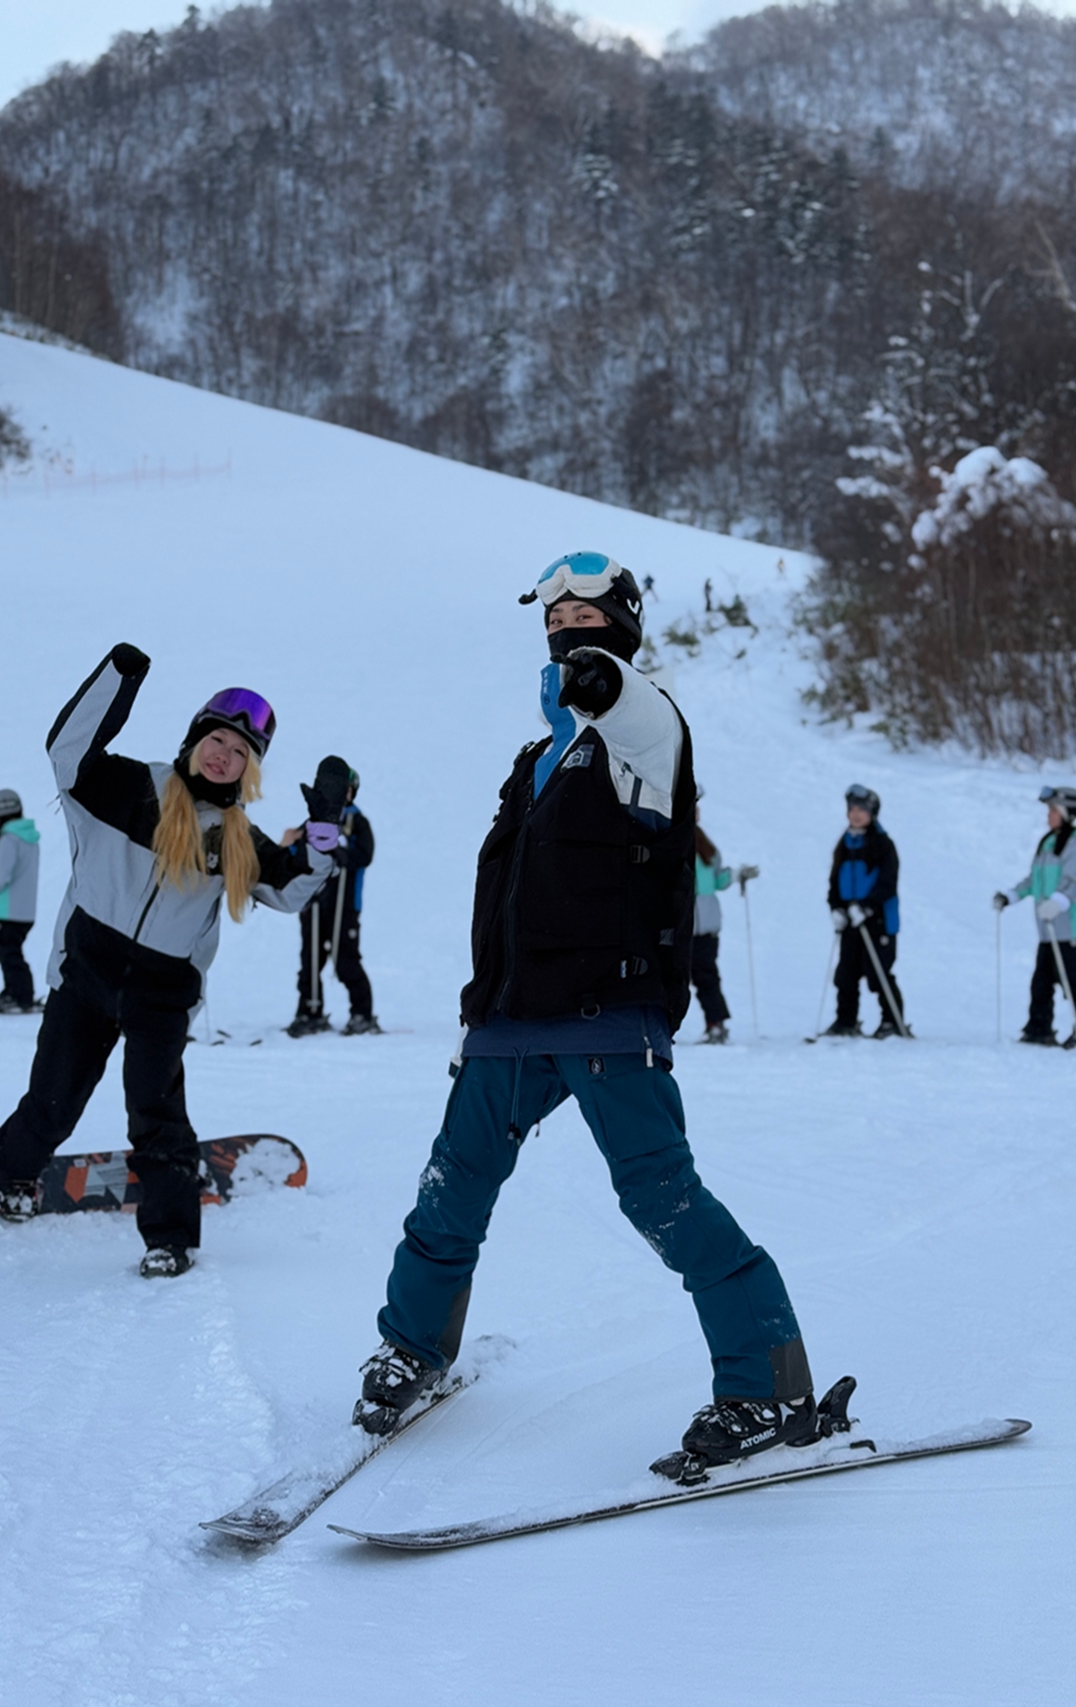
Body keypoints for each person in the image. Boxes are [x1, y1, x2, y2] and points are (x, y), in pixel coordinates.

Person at [353, 552, 816, 1476]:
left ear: (621, 624)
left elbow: (625, 699)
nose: (565, 621)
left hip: (609, 1013)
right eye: (553, 611)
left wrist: (605, 684)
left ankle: (766, 1382)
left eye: (583, 608)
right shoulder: (540, 757)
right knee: (452, 1187)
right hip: (510, 1020)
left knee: (664, 1200)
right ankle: (415, 1345)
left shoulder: (644, 733)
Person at [0, 644, 342, 1277]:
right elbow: (66, 752)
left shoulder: (235, 839)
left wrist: (322, 832)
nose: (224, 757)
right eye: (217, 740)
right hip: (87, 969)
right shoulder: (126, 785)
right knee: (54, 1098)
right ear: (196, 737)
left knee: (156, 1113)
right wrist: (119, 679)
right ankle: (12, 1175)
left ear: (249, 769)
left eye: (240, 753)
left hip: (163, 992)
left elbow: (290, 891)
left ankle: (171, 1237)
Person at [994, 785, 1076, 1048]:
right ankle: (1038, 1029)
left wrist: (1058, 902)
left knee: (1075, 984)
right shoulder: (1048, 842)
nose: (1048, 816)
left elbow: (1075, 883)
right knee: (1041, 983)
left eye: (1053, 810)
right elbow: (1035, 880)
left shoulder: (1074, 844)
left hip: (1072, 930)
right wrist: (1010, 896)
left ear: (1067, 813)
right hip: (1048, 931)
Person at [288, 765, 380, 1036]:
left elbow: (365, 855)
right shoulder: (313, 821)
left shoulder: (356, 822)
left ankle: (362, 1013)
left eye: (345, 790)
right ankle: (310, 1010)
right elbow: (294, 849)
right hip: (315, 903)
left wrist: (341, 853)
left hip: (345, 904)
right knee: (310, 959)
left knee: (346, 959)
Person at [825, 783, 907, 1038]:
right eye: (852, 809)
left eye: (862, 810)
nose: (856, 814)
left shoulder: (882, 843)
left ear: (872, 813)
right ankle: (845, 1020)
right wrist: (836, 908)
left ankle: (892, 1021)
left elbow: (888, 882)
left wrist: (868, 908)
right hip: (850, 919)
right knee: (846, 973)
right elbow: (834, 880)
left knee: (878, 973)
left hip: (878, 920)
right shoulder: (845, 843)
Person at [690, 784, 758, 1044]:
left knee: (706, 975)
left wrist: (737, 874)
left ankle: (716, 1024)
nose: (695, 812)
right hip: (680, 923)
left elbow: (716, 880)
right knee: (674, 977)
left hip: (706, 924)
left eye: (696, 807)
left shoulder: (704, 843)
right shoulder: (671, 841)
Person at [0, 788, 41, 1014]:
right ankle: (14, 992)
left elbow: (0, 874)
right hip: (24, 909)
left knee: (8, 952)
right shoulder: (28, 836)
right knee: (10, 951)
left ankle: (19, 996)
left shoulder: (9, 839)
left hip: (9, 909)